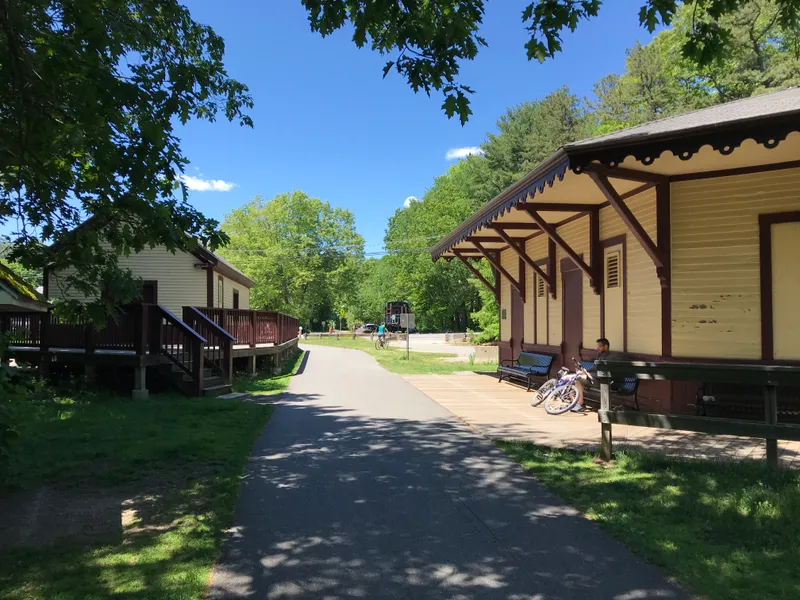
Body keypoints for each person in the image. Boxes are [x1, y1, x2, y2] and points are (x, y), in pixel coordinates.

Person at [572, 338, 612, 413]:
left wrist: (587, 374)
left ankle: (580, 404)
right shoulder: (600, 355)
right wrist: (585, 371)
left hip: (601, 381)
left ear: (606, 346)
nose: (597, 348)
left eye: (600, 346)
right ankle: (575, 403)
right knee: (573, 378)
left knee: (578, 379)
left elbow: (602, 373)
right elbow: (594, 368)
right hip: (594, 378)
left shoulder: (608, 358)